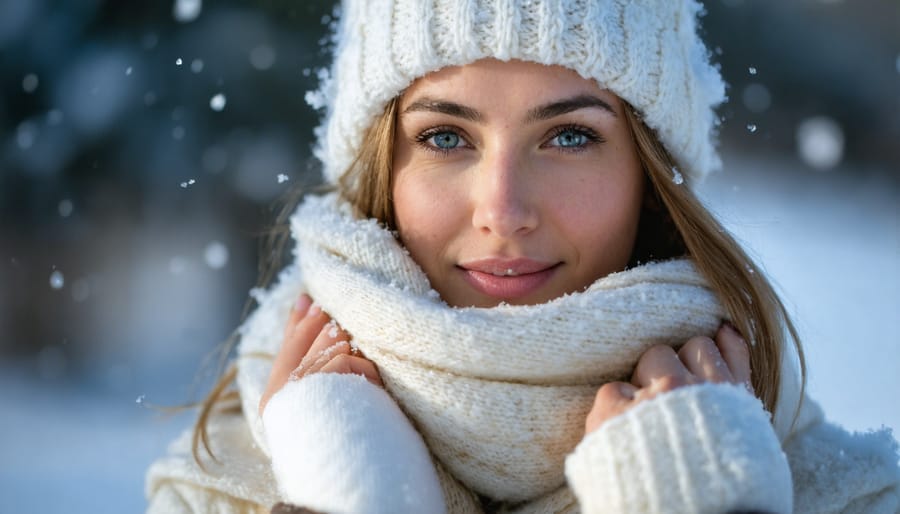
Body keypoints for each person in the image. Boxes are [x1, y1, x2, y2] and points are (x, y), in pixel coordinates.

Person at [145, 1, 900, 513]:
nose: (502, 211)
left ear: (650, 174)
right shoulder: (216, 488)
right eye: (446, 137)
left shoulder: (836, 492)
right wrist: (340, 489)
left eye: (569, 136)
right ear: (381, 166)